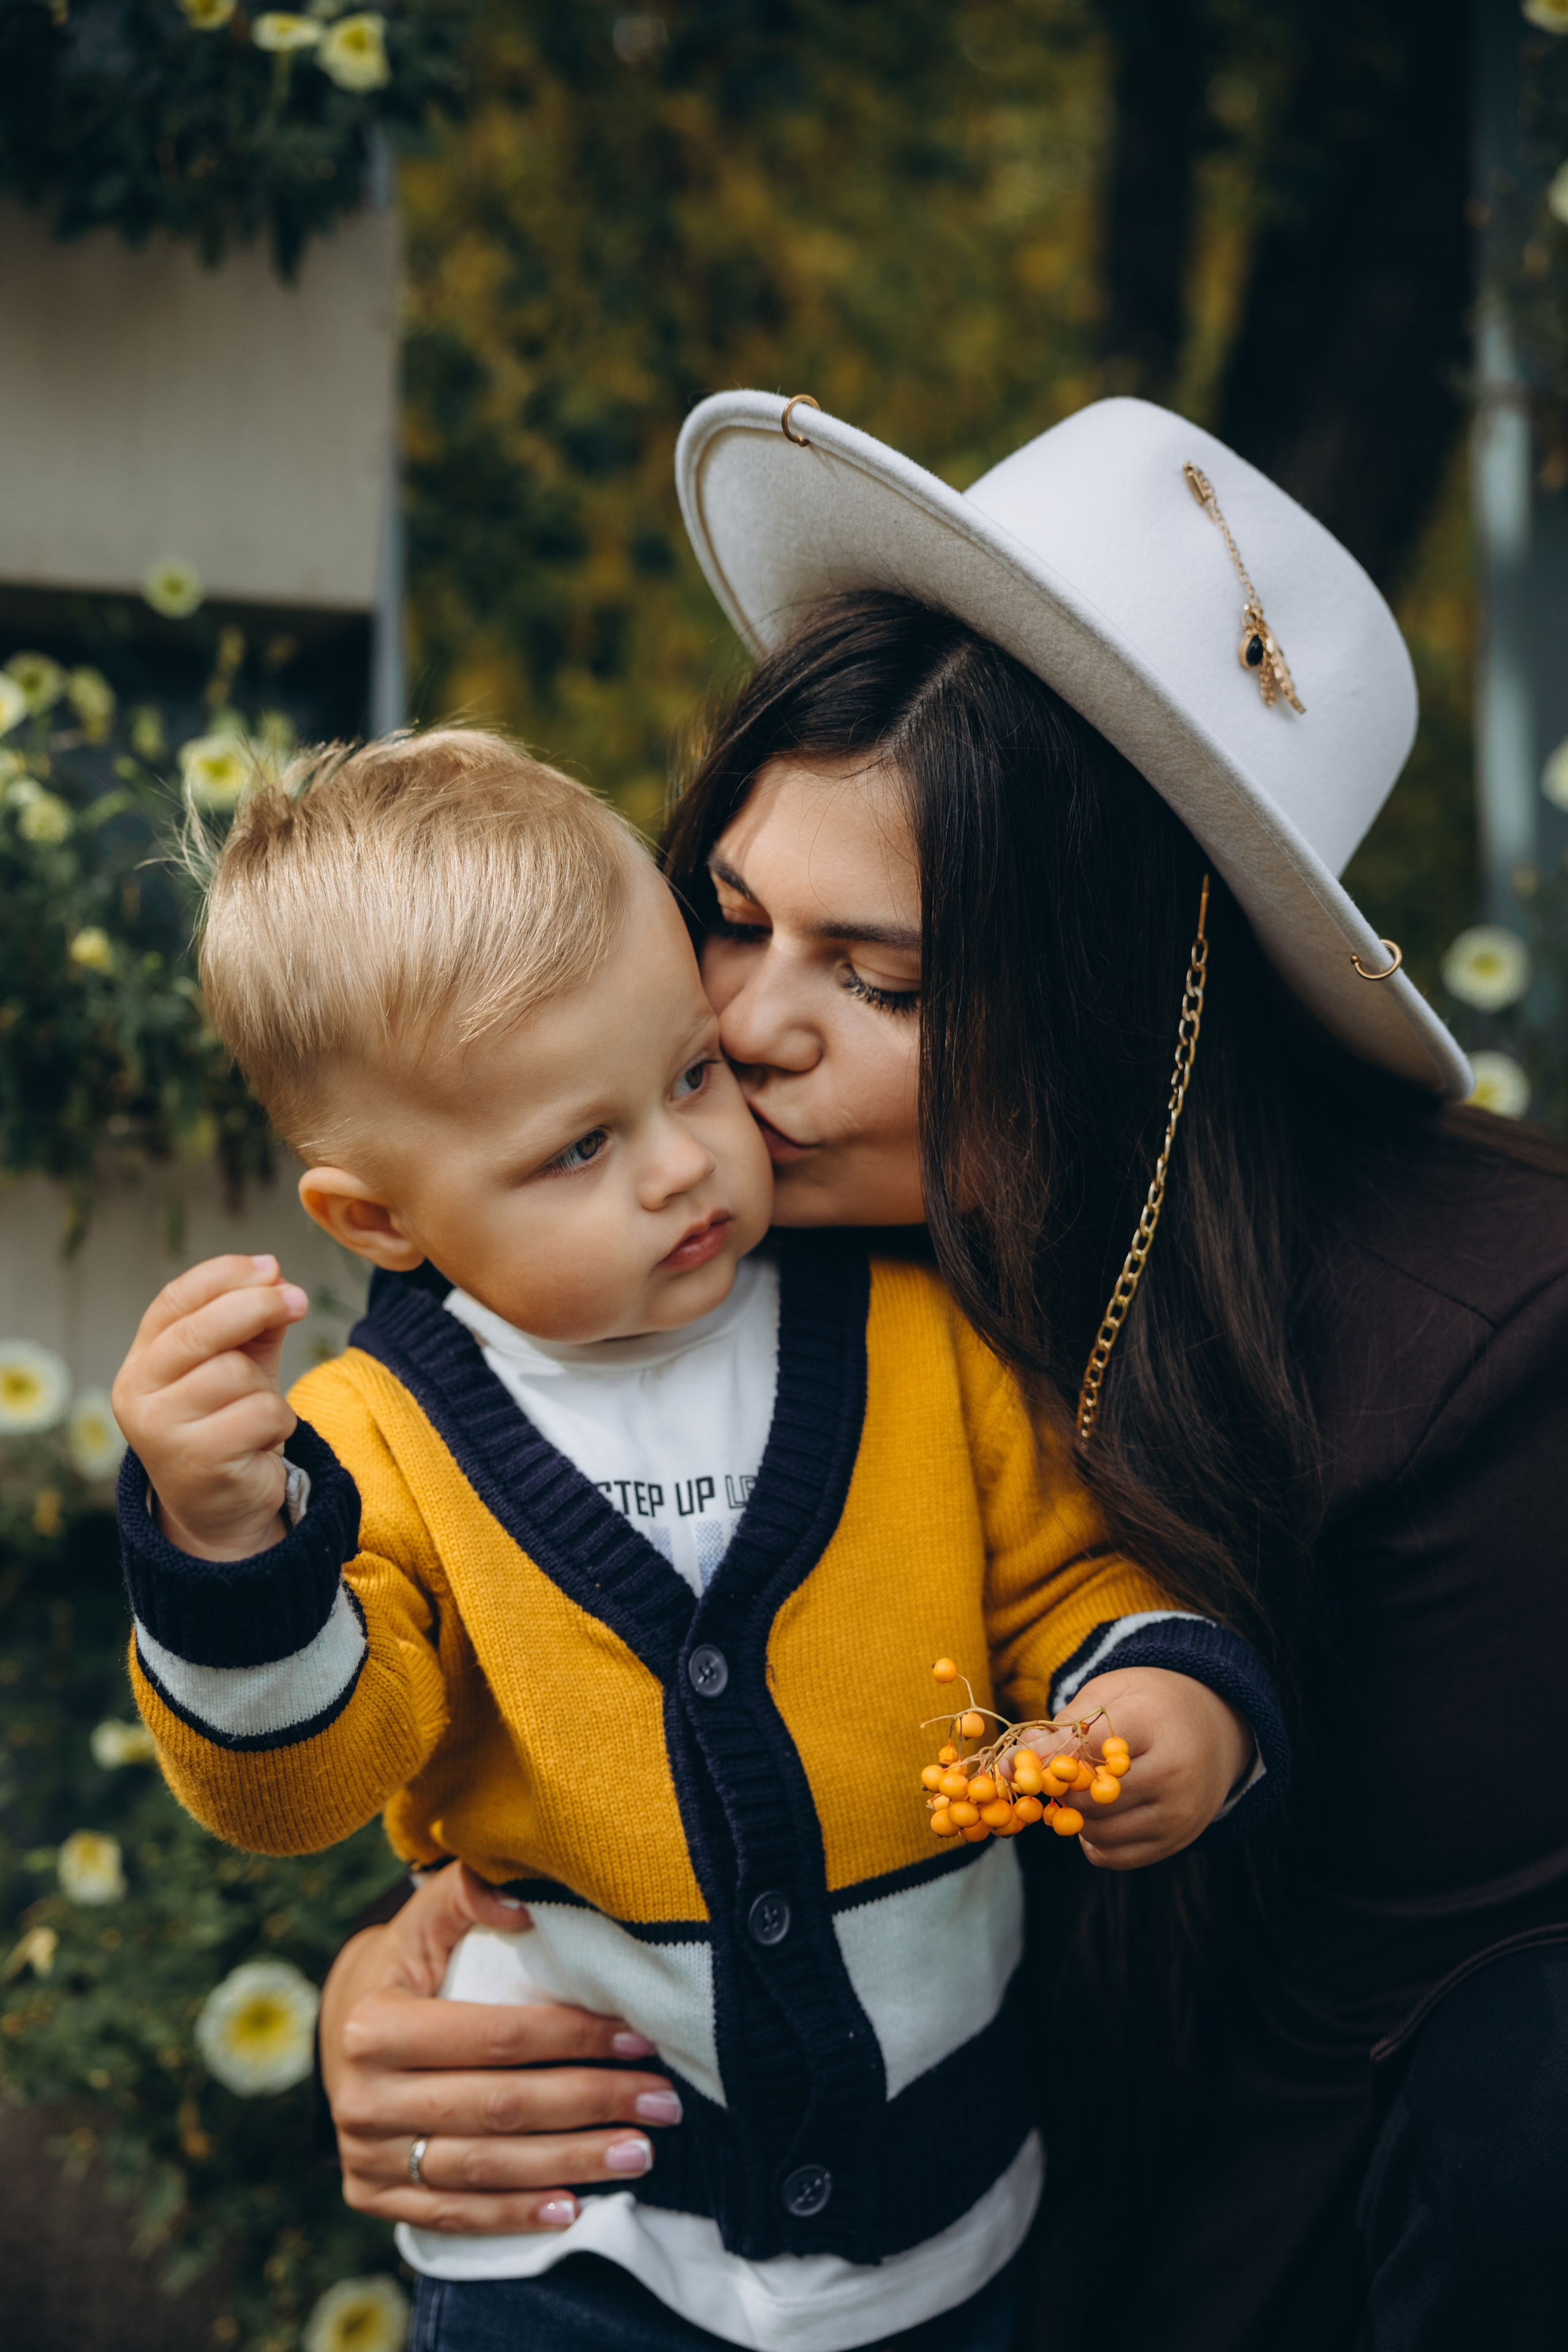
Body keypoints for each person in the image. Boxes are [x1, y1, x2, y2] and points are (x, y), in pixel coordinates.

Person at [314, 395, 1568, 2351]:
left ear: (1141, 1006)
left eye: (883, 980)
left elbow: (1346, 2075)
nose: (749, 1030)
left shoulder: (1486, 1351)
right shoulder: (708, 1242)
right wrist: (427, 1974)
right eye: (733, 921)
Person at [109, 728, 1284, 2352]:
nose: (683, 1164)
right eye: (580, 1149)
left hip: (940, 2212)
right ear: (378, 1221)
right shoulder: (371, 1450)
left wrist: (1161, 1704)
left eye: (688, 1075)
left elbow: (1068, 1579)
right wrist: (229, 1550)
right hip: (577, 2238)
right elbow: (294, 1789)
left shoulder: (915, 1340)